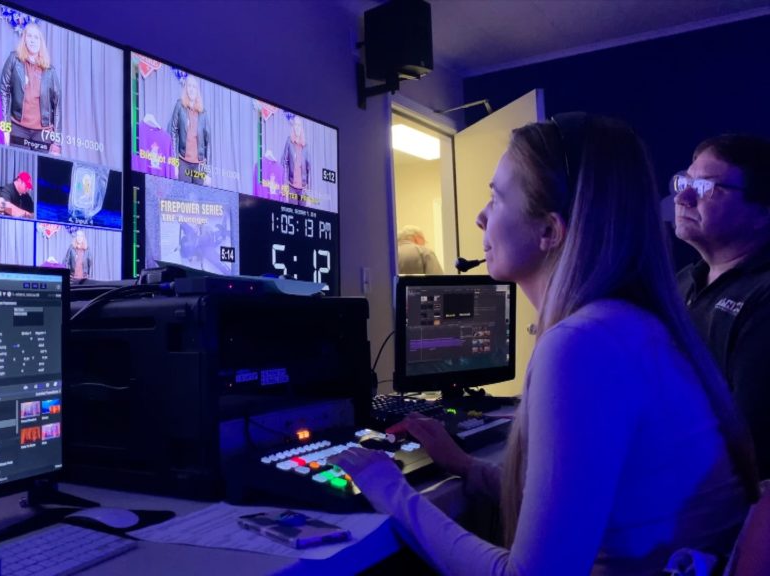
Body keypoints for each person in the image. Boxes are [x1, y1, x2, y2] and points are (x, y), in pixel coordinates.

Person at [332, 114, 759, 575]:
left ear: (550, 231)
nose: (480, 216)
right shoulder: (630, 325)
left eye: (496, 197)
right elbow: (579, 504)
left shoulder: (582, 344)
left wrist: (390, 489)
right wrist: (468, 467)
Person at [673, 134, 770, 479]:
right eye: (684, 182)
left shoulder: (764, 297)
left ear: (762, 213)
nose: (682, 197)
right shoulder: (682, 281)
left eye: (706, 188)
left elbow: (751, 442)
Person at [0, 22, 61, 155]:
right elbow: (3, 91)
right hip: (18, 127)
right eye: (29, 36)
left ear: (41, 42)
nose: (32, 40)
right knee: (18, 167)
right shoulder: (14, 59)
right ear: (24, 39)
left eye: (36, 37)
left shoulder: (50, 70)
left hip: (43, 132)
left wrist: (57, 140)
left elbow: (57, 105)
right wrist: (4, 127)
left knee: (39, 167)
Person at [167, 74, 210, 184]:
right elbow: (173, 132)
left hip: (199, 164)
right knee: (183, 193)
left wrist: (207, 171)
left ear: (197, 90)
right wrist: (174, 162)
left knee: (198, 194)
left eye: (194, 87)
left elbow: (208, 142)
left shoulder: (203, 112)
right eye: (189, 86)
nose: (191, 89)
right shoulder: (179, 105)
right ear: (186, 89)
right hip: (183, 162)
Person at [281, 114, 309, 205]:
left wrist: (308, 188)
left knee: (303, 212)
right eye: (295, 125)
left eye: (299, 125)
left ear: (301, 128)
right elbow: (284, 162)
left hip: (303, 189)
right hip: (291, 186)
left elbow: (309, 167)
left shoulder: (305, 145)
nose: (297, 127)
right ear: (293, 127)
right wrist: (285, 183)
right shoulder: (289, 141)